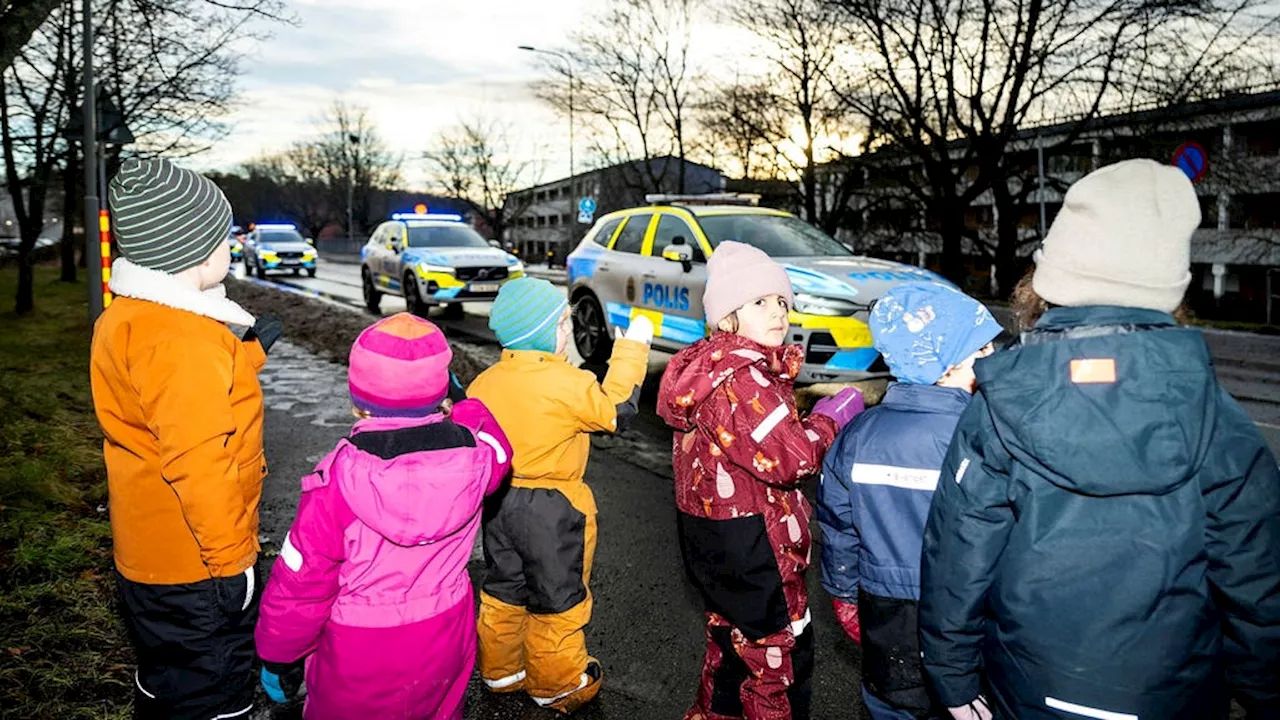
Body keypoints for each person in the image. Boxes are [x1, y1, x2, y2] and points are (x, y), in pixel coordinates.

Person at [919, 159, 1280, 720]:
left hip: (1029, 681)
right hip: (1170, 690)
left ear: (1054, 271)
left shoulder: (999, 400)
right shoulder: (1217, 417)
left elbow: (959, 555)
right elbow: (1258, 578)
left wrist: (950, 674)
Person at [90, 157, 283, 719]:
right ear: (190, 250)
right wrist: (231, 564)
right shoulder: (184, 340)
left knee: (169, 674)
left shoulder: (130, 317)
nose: (228, 247)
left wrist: (244, 355)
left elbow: (163, 398)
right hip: (195, 563)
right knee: (212, 691)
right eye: (220, 236)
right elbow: (199, 459)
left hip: (148, 552)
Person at [253, 312, 512, 719]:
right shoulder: (475, 459)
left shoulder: (336, 480)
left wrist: (279, 653)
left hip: (359, 651)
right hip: (444, 636)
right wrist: (465, 405)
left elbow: (302, 581)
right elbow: (499, 445)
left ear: (358, 403)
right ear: (442, 394)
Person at [657, 241, 865, 720]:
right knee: (777, 657)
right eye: (759, 302)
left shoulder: (709, 368)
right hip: (757, 542)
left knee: (730, 642)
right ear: (727, 316)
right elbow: (791, 458)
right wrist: (833, 417)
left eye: (781, 302)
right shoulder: (744, 380)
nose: (777, 312)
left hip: (712, 535)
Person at [816, 281, 1000, 720]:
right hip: (965, 610)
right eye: (983, 352)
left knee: (891, 705)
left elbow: (837, 522)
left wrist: (843, 591)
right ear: (949, 363)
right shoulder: (981, 436)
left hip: (884, 609)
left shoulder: (858, 434)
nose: (994, 359)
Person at [470, 277, 654, 713]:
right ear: (551, 331)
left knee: (504, 588)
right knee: (557, 596)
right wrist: (633, 351)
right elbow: (616, 411)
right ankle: (557, 683)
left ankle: (501, 671)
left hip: (497, 502)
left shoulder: (485, 383)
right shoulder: (565, 383)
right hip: (553, 510)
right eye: (566, 325)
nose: (570, 333)